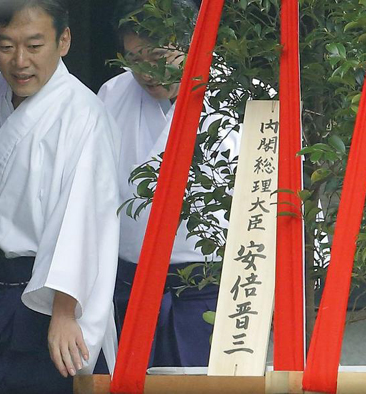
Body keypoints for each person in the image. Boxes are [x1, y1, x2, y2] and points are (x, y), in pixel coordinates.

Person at [0, 1, 121, 393]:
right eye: (6, 46)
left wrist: (65, 311)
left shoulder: (84, 112)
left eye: (34, 46)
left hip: (49, 297)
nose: (20, 62)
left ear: (63, 40)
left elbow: (82, 218)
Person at [97, 0, 239, 368]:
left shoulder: (244, 97)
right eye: (135, 58)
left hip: (210, 291)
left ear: (195, 41)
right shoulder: (111, 95)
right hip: (128, 285)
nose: (148, 71)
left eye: (160, 55)